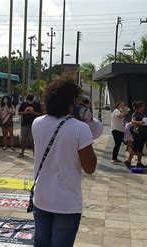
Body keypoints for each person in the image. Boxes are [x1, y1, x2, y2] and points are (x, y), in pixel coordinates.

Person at [32, 75, 97, 247]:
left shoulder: (37, 123)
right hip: (66, 203)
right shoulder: (80, 129)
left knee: (40, 244)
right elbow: (90, 167)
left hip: (41, 197)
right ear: (72, 102)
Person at [124, 101, 147, 169]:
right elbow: (133, 121)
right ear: (139, 107)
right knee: (135, 148)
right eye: (142, 106)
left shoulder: (142, 114)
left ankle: (139, 162)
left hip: (142, 132)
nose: (144, 107)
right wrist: (140, 122)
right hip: (137, 132)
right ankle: (128, 161)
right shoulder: (135, 114)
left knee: (140, 148)